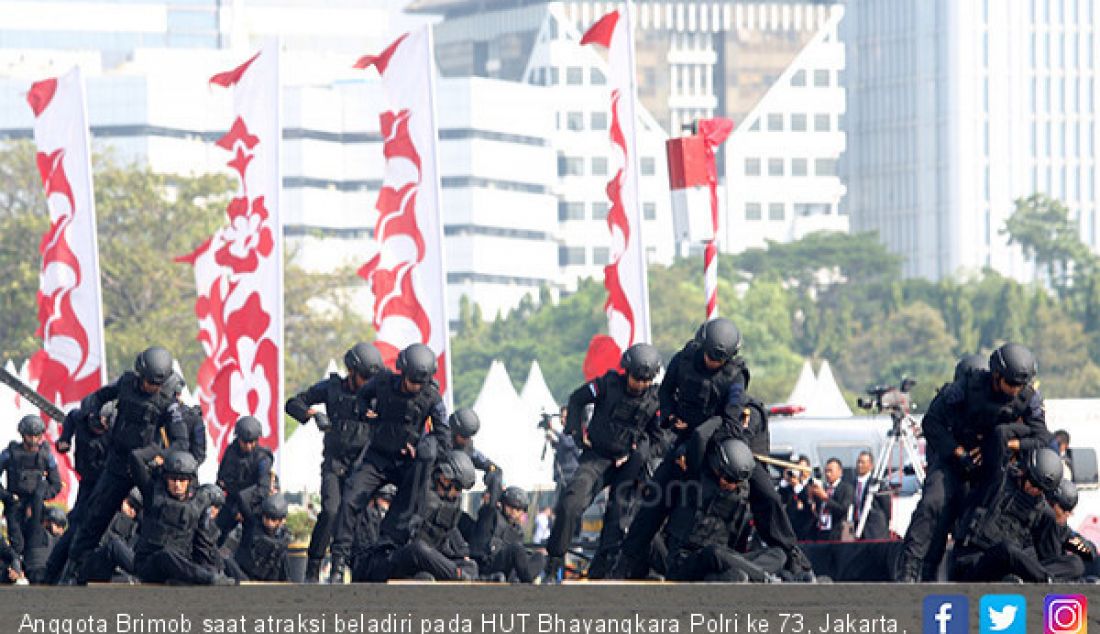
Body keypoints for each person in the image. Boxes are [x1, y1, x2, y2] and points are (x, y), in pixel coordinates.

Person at [896, 344, 1051, 581]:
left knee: (982, 528)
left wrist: (1008, 444)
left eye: (1020, 385)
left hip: (992, 471)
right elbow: (931, 423)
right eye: (1011, 384)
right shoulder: (965, 388)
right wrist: (958, 452)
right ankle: (910, 575)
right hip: (955, 462)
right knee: (932, 506)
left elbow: (1042, 438)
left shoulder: (1028, 399)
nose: (1015, 390)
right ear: (997, 375)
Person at [62, 346, 190, 579]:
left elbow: (181, 440)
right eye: (150, 382)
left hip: (145, 467)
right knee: (95, 515)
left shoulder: (167, 402)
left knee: (157, 515)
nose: (153, 387)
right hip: (118, 463)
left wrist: (160, 455)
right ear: (141, 374)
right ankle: (76, 568)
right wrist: (93, 415)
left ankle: (158, 569)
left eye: (157, 383)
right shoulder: (125, 383)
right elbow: (96, 397)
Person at [327, 343, 449, 583]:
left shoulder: (432, 397)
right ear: (402, 372)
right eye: (412, 381)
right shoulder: (382, 382)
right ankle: (338, 565)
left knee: (412, 508)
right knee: (350, 499)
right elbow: (361, 398)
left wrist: (425, 447)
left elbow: (443, 436)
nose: (415, 387)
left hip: (407, 463)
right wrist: (364, 412)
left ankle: (392, 556)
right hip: (378, 456)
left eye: (420, 384)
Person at [543, 343, 664, 582]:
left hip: (628, 466)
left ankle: (600, 573)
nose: (640, 385)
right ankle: (554, 561)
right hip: (597, 458)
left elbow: (659, 439)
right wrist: (577, 434)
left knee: (617, 520)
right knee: (570, 504)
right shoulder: (606, 385)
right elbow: (577, 399)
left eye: (646, 380)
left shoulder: (654, 400)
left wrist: (639, 453)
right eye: (637, 379)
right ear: (626, 372)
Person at [284, 342, 384, 582]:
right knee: (330, 511)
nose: (367, 382)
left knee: (349, 514)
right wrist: (314, 414)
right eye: (363, 377)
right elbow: (294, 403)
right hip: (334, 463)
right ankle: (313, 566)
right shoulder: (332, 388)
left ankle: (339, 568)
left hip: (361, 467)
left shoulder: (377, 395)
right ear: (351, 372)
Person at [664, 439, 785, 582]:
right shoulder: (695, 480)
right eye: (729, 479)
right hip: (688, 560)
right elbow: (697, 438)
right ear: (717, 468)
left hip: (727, 558)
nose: (733, 485)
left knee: (779, 554)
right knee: (714, 552)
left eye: (737, 482)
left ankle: (738, 575)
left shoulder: (739, 496)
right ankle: (761, 578)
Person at [355, 451, 477, 582]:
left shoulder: (449, 506)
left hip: (428, 560)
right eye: (457, 488)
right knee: (419, 549)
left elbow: (451, 537)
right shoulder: (418, 488)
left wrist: (461, 556)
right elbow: (427, 453)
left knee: (470, 566)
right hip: (394, 555)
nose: (457, 494)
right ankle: (458, 576)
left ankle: (464, 576)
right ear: (444, 477)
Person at [952, 447, 1063, 582]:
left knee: (1075, 563)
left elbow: (1050, 558)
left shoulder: (1044, 513)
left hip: (1011, 566)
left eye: (1041, 489)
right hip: (974, 561)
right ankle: (1047, 582)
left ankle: (1044, 582)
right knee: (1007, 549)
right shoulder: (998, 480)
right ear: (1025, 473)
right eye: (1033, 483)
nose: (1034, 490)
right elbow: (998, 437)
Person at [131, 451, 234, 585]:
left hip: (183, 562)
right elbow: (135, 457)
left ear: (190, 481)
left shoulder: (197, 503)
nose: (177, 485)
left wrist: (214, 567)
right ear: (166, 479)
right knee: (166, 556)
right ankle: (207, 579)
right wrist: (160, 456)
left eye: (182, 480)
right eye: (173, 479)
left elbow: (201, 543)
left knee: (208, 567)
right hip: (150, 564)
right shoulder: (153, 494)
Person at [48, 402, 113, 583]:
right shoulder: (81, 417)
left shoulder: (116, 430)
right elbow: (70, 418)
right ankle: (54, 572)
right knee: (76, 526)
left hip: (106, 484)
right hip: (87, 480)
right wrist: (65, 438)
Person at [0, 415, 62, 556]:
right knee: (18, 545)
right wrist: (7, 496)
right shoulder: (9, 454)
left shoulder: (46, 455)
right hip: (15, 505)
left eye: (36, 436)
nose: (33, 440)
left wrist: (40, 497)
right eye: (30, 436)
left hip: (37, 508)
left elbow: (56, 484)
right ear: (23, 435)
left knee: (36, 545)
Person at [214, 416, 274, 543]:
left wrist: (243, 507)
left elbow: (262, 489)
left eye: (252, 442)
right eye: (244, 442)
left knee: (253, 541)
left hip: (253, 506)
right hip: (231, 502)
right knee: (214, 535)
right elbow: (222, 479)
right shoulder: (231, 452)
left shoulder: (263, 458)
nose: (248, 445)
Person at [469, 485, 543, 582]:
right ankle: (526, 580)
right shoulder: (491, 516)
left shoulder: (517, 531)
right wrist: (496, 480)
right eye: (510, 507)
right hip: (487, 564)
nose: (514, 512)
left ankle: (523, 578)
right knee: (516, 549)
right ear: (503, 504)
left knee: (540, 556)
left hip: (508, 567)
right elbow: (491, 498)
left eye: (518, 509)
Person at [1036, 478, 1096, 581]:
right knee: (1076, 565)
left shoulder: (1061, 527)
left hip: (1053, 575)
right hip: (1035, 570)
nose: (1069, 514)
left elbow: (1088, 550)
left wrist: (1085, 548)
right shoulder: (1037, 520)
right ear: (1052, 504)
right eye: (1066, 509)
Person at [80, 487, 143, 584]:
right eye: (130, 505)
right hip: (92, 562)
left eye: (136, 510)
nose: (132, 511)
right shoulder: (107, 515)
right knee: (115, 545)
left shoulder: (134, 530)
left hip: (112, 572)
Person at [227, 493, 291, 582]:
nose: (269, 522)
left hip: (269, 581)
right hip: (245, 576)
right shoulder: (252, 525)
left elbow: (285, 574)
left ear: (282, 520)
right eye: (267, 517)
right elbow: (241, 499)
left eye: (273, 519)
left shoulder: (284, 539)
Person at [810, 458, 853, 541]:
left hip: (837, 532)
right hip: (821, 530)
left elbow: (843, 509)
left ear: (840, 472)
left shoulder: (846, 488)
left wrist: (826, 498)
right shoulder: (823, 487)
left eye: (830, 471)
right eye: (826, 471)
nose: (828, 474)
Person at [22, 506, 67, 584]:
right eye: (59, 525)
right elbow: (37, 503)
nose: (61, 530)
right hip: (36, 574)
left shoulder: (60, 540)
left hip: (52, 575)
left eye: (63, 527)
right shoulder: (37, 533)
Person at [851, 451, 890, 540]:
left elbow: (886, 506)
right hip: (857, 528)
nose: (860, 465)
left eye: (863, 462)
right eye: (858, 462)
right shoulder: (853, 483)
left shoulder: (878, 484)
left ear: (871, 465)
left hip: (874, 530)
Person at [779, 456, 815, 541]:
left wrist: (797, 485)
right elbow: (780, 499)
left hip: (806, 531)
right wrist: (785, 479)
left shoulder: (812, 485)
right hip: (789, 530)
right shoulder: (788, 487)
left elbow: (809, 505)